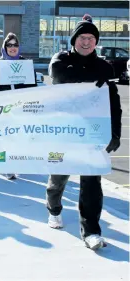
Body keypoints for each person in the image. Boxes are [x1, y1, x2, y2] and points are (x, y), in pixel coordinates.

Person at [46, 14, 122, 250]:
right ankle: (54, 208)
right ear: (74, 39)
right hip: (64, 130)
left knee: (92, 181)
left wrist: (115, 133)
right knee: (58, 177)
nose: (86, 42)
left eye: (91, 38)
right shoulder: (61, 59)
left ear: (96, 42)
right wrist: (93, 79)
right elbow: (60, 75)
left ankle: (91, 231)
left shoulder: (104, 67)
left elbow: (113, 102)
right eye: (82, 37)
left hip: (92, 132)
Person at [0, 32, 37, 180]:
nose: (13, 47)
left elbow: (32, 84)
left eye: (15, 45)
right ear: (5, 47)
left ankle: (16, 163)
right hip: (5, 107)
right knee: (5, 137)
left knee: (18, 136)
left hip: (20, 107)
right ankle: (5, 167)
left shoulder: (25, 63)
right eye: (9, 45)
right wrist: (0, 95)